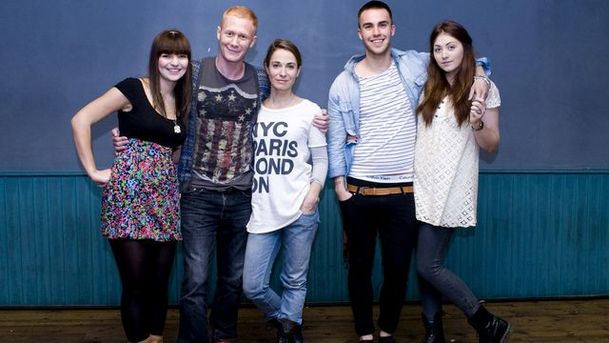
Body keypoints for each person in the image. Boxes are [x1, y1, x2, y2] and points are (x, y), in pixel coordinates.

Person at [112, 6, 327, 343]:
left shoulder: (260, 79)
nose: (235, 40)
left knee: (232, 278)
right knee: (195, 279)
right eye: (230, 33)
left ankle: (225, 334)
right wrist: (130, 136)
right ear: (218, 33)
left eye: (243, 35)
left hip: (244, 196)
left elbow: (288, 109)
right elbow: (158, 108)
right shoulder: (193, 73)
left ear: (253, 40)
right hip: (197, 193)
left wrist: (323, 121)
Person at [327, 2, 490, 342]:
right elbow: (334, 141)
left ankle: (386, 333)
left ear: (393, 29)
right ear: (360, 33)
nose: (376, 32)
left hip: (404, 194)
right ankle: (364, 335)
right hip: (358, 193)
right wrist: (341, 189)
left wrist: (482, 79)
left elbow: (469, 63)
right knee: (359, 271)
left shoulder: (415, 64)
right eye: (368, 26)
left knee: (398, 271)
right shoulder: (344, 83)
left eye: (382, 24)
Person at [71, 29, 191, 343]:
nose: (174, 62)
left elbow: (173, 149)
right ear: (155, 58)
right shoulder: (132, 88)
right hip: (127, 199)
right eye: (167, 54)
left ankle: (155, 338)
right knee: (136, 283)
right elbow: (81, 120)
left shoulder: (181, 98)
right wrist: (93, 170)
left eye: (181, 55)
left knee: (158, 283)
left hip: (164, 200)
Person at [413, 20, 510, 343]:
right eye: (438, 48)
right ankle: (433, 330)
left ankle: (486, 322)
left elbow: (491, 144)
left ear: (465, 48)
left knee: (428, 265)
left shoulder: (483, 88)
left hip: (449, 187)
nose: (443, 54)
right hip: (418, 185)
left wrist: (478, 121)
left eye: (451, 46)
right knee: (426, 264)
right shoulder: (429, 84)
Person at [241, 39, 328, 343]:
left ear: (298, 71)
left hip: (300, 209)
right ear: (267, 67)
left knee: (294, 280)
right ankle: (288, 320)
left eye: (289, 66)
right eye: (276, 65)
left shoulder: (310, 111)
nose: (282, 72)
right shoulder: (254, 111)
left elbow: (320, 159)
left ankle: (289, 330)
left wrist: (313, 194)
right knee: (252, 285)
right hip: (263, 210)